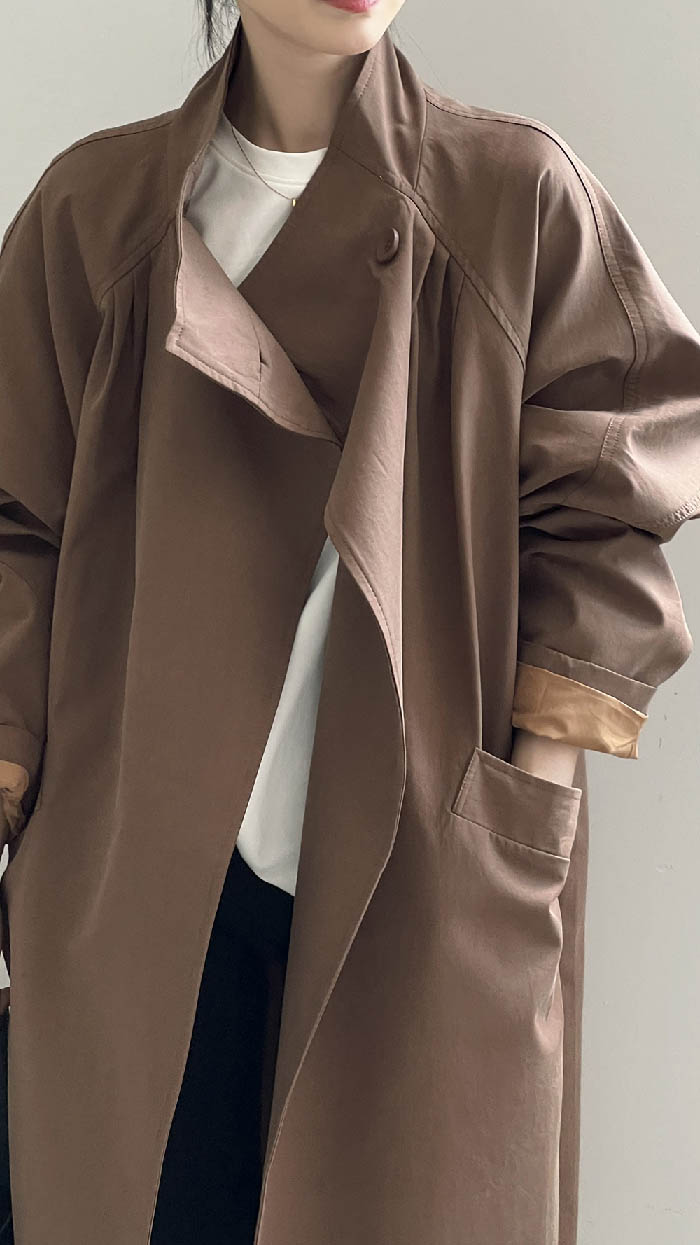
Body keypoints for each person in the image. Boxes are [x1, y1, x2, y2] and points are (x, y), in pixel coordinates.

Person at [0, 2, 698, 1243]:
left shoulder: (514, 199)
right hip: (133, 893)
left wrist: (522, 803)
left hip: (417, 888)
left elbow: (613, 488)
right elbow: (15, 537)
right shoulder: (92, 216)